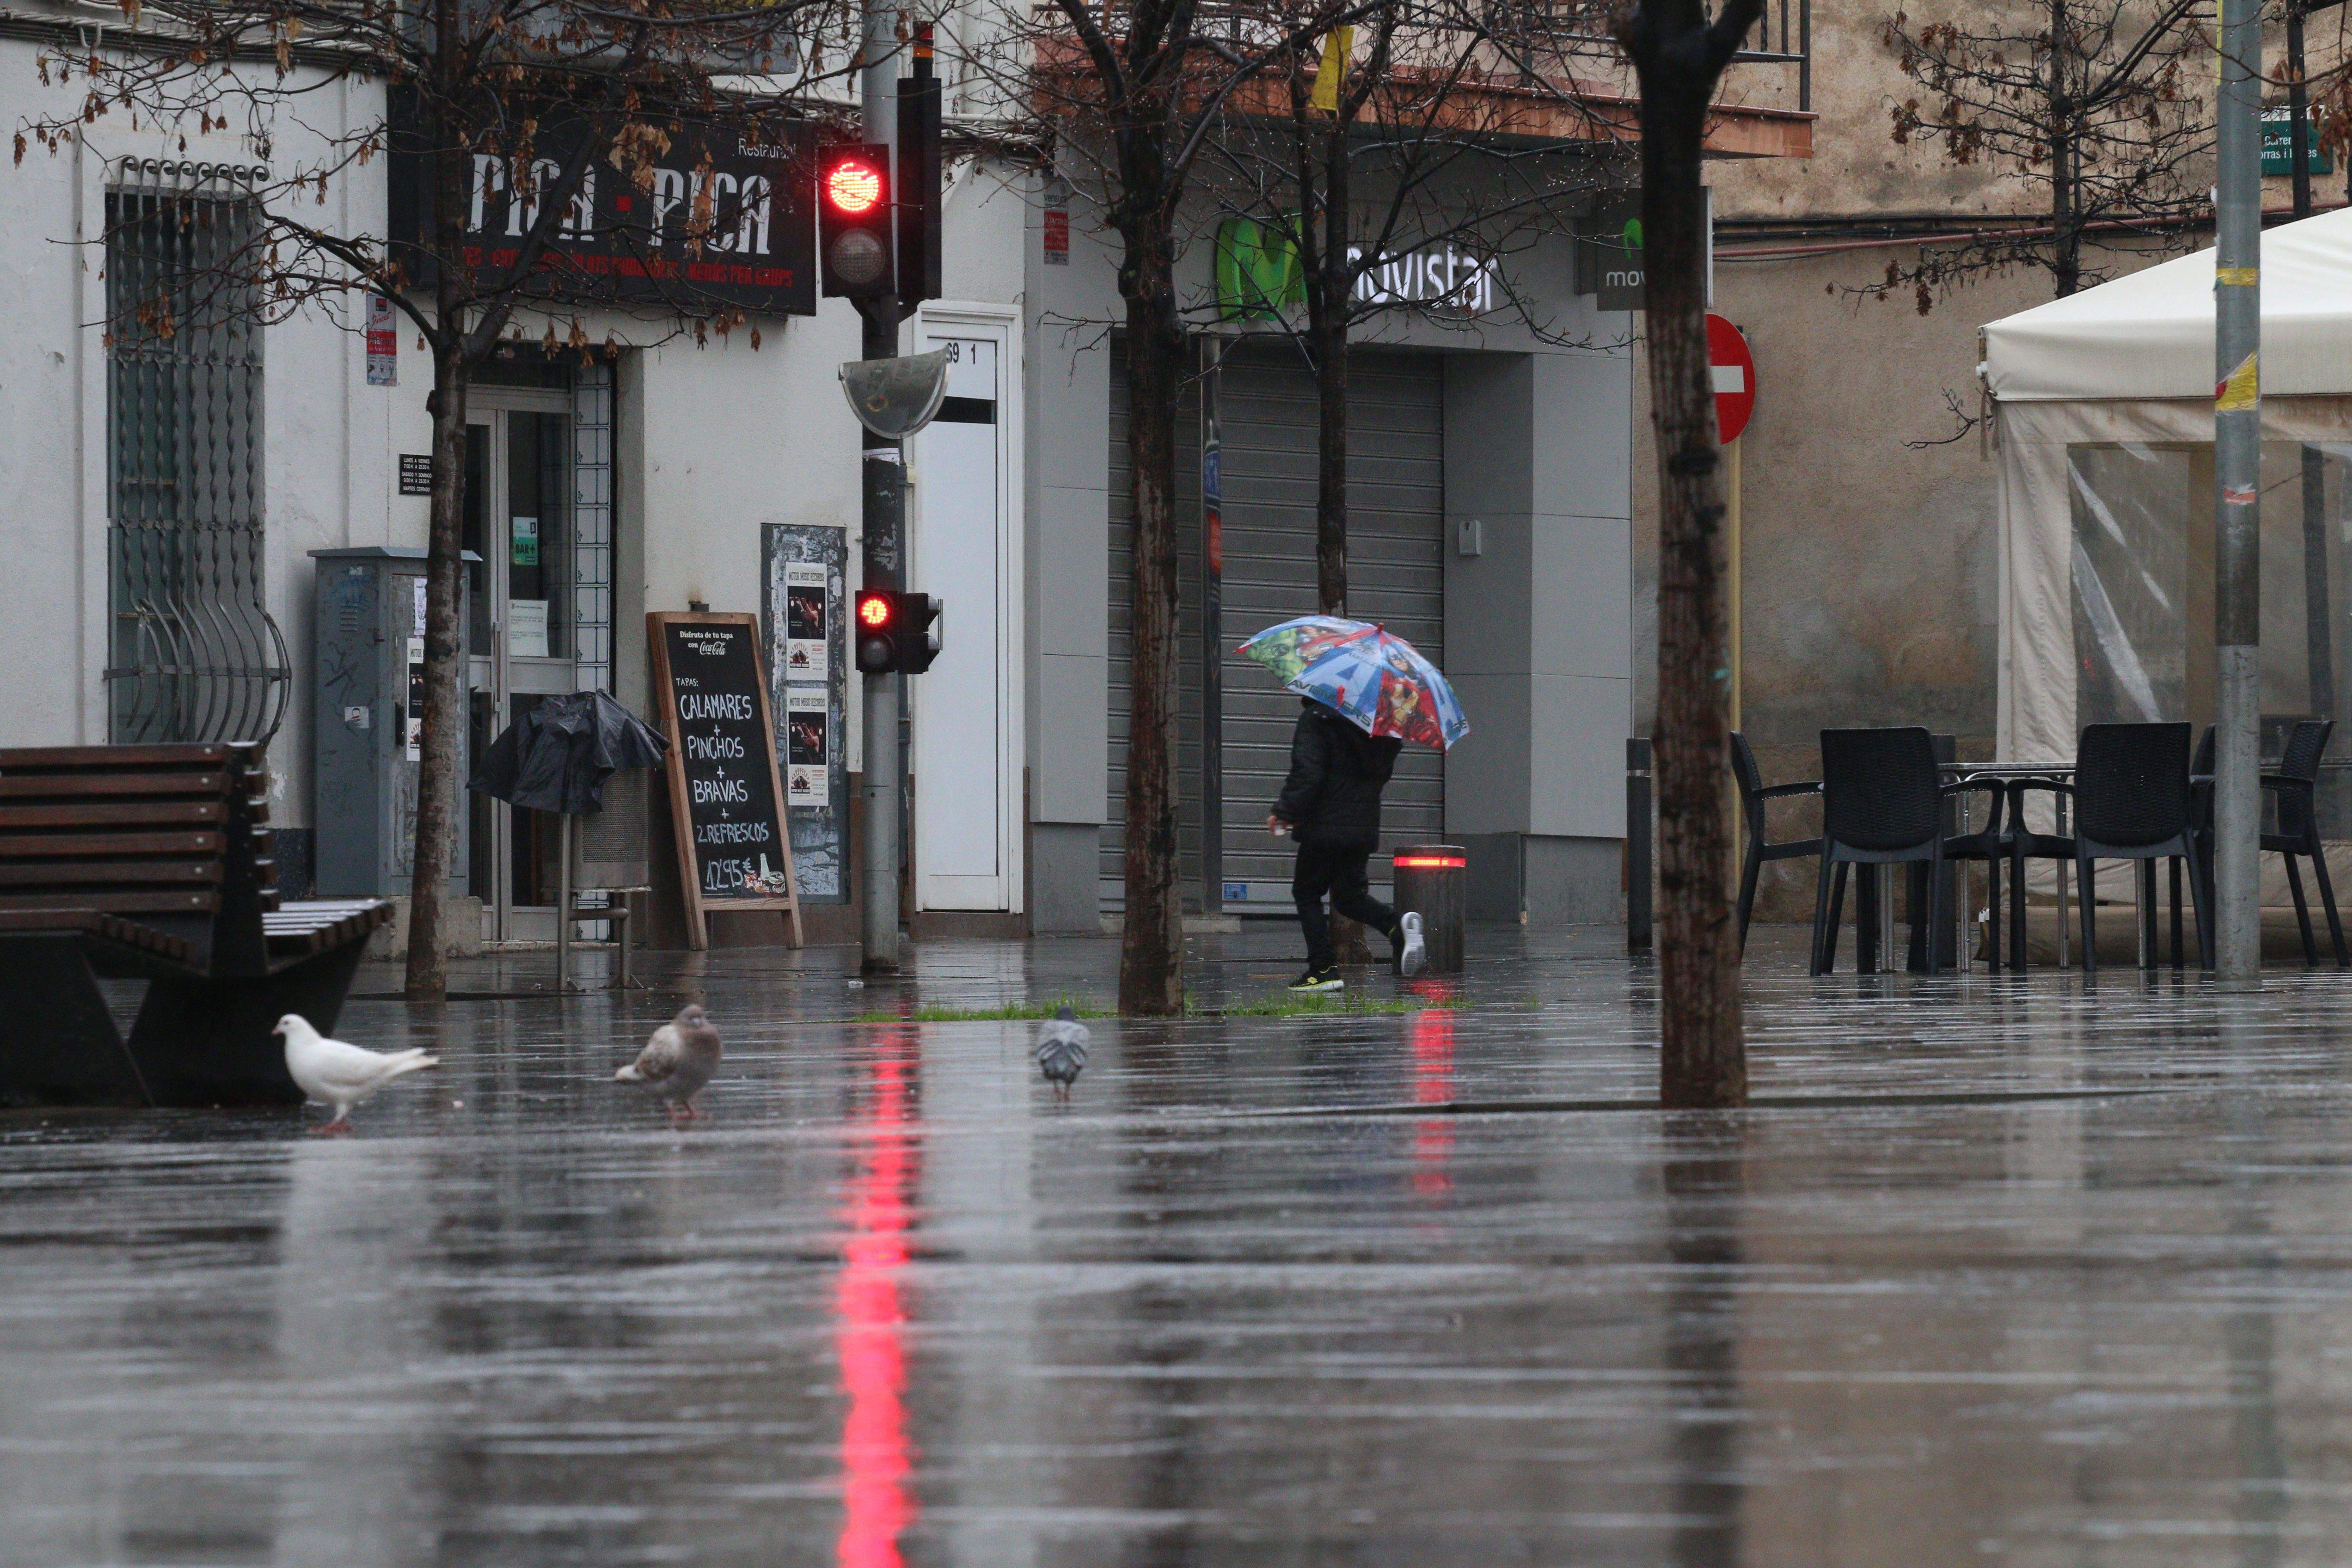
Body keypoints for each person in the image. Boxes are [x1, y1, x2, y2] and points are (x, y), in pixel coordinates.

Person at [1268, 696, 1427, 991]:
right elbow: (1382, 774)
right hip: (1362, 825)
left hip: (1324, 823)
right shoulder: (1381, 723)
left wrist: (1285, 810)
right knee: (1349, 896)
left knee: (1306, 893)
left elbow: (1308, 771)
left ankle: (1323, 969)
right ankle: (1397, 928)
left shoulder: (1318, 717)